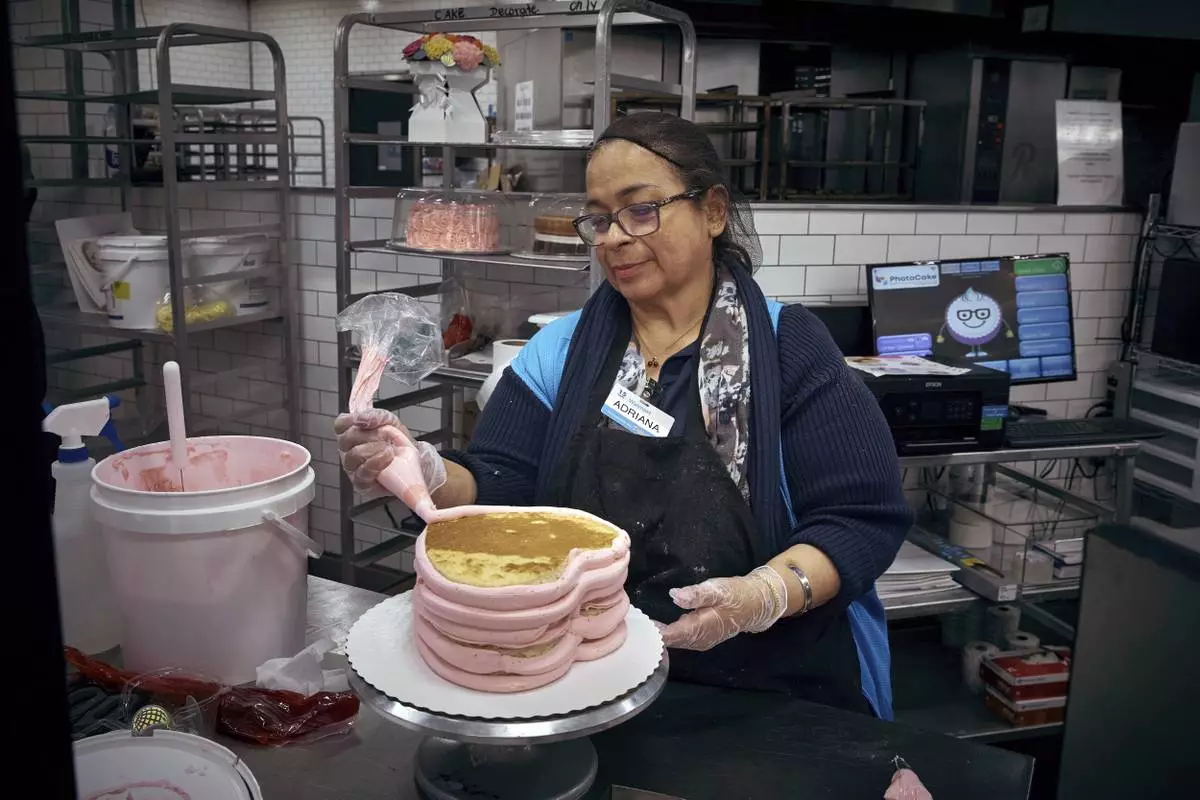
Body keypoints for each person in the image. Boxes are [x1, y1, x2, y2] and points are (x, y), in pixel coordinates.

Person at [336, 113, 912, 717]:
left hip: (771, 682)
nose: (613, 237)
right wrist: (425, 471)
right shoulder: (562, 352)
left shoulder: (785, 349)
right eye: (600, 218)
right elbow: (500, 486)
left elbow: (858, 519)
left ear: (713, 211)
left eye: (641, 210)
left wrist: (762, 595)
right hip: (584, 672)